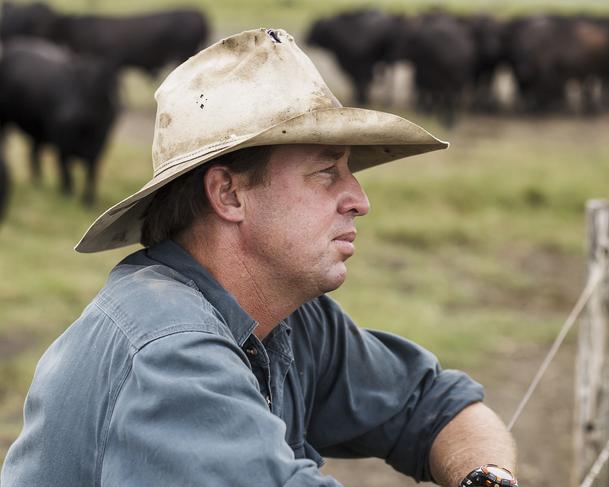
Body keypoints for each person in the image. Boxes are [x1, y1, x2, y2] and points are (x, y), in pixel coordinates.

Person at [1, 29, 517, 487]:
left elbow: (433, 405)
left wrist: (487, 481)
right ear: (228, 195)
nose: (360, 199)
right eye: (326, 172)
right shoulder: (167, 357)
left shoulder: (286, 316)